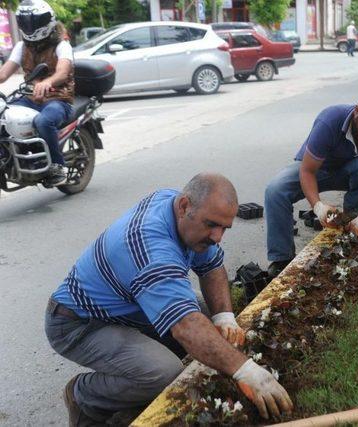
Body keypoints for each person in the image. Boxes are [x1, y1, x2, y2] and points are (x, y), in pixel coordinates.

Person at [45, 173, 293, 425]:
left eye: (224, 228)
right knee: (162, 373)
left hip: (130, 306)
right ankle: (84, 395)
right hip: (81, 324)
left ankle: (135, 383)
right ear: (184, 206)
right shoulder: (150, 247)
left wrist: (224, 318)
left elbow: (211, 267)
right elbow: (187, 327)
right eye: (211, 225)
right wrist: (247, 371)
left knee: (210, 319)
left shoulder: (175, 206)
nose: (217, 237)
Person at [265, 90, 358, 277]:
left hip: (350, 171)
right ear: (357, 111)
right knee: (275, 190)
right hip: (318, 169)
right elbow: (307, 170)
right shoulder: (330, 120)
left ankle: (352, 218)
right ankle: (281, 259)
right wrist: (318, 206)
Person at [0, 0, 74, 186]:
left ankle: (58, 166)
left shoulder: (62, 45)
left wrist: (48, 82)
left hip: (58, 98)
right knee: (4, 116)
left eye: (34, 22)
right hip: (30, 97)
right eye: (26, 23)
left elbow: (63, 71)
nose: (30, 27)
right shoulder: (22, 46)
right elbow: (3, 74)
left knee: (43, 121)